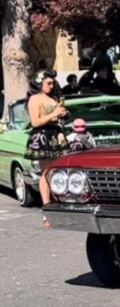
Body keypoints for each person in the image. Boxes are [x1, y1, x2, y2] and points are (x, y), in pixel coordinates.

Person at [25, 70, 69, 227]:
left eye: (53, 83)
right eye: (48, 83)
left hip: (56, 135)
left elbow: (55, 116)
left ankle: (60, 204)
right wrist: (53, 114)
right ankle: (46, 208)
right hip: (42, 136)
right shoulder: (34, 99)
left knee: (59, 170)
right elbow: (35, 122)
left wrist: (62, 114)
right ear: (39, 83)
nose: (52, 85)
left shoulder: (53, 98)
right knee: (46, 172)